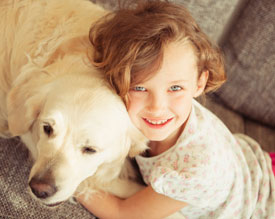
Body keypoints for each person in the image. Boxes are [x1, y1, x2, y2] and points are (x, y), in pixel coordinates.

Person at [76, 1, 275, 218]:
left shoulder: (193, 171)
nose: (157, 107)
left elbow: (123, 213)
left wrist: (70, 183)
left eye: (175, 88)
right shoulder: (126, 112)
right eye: (140, 87)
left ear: (199, 83)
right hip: (251, 164)